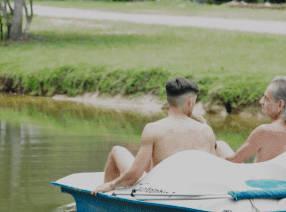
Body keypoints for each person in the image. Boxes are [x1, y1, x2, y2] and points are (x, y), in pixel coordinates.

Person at [92, 77, 220, 194]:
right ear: (190, 102)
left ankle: (104, 196)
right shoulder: (205, 130)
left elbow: (135, 175)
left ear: (167, 100)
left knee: (117, 150)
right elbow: (215, 170)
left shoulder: (154, 129)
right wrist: (208, 131)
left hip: (160, 189)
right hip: (192, 191)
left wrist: (112, 184)